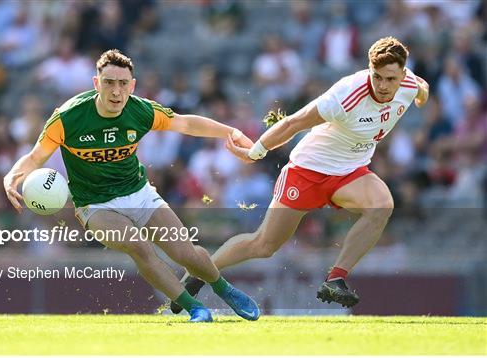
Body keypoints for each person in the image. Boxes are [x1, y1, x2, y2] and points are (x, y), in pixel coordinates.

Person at [172, 37, 429, 313]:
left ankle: (336, 278)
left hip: (350, 172)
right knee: (264, 244)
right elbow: (294, 122)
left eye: (390, 79)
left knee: (382, 205)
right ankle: (200, 272)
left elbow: (422, 89)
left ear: (403, 74)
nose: (382, 86)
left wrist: (421, 97)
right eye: (376, 77)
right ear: (369, 69)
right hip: (308, 170)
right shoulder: (346, 95)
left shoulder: (409, 85)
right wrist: (256, 152)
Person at [3, 49, 260, 322]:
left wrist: (231, 131)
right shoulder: (68, 117)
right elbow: (35, 157)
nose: (116, 91)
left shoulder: (141, 110)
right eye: (109, 83)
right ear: (96, 83)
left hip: (138, 193)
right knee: (139, 247)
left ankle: (224, 288)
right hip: (95, 204)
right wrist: (12, 176)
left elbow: (185, 123)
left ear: (132, 85)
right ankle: (195, 308)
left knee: (185, 253)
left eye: (123, 84)